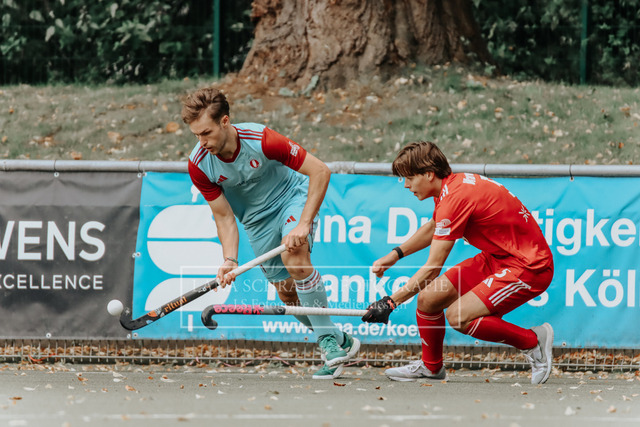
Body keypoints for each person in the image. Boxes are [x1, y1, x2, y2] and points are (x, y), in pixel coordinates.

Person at [181, 87, 359, 379]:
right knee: (288, 295)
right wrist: (230, 259)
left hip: (290, 199)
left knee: (295, 258)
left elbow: (320, 171)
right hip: (256, 222)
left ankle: (328, 344)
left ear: (225, 121)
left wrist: (303, 224)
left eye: (206, 133)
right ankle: (340, 340)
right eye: (196, 135)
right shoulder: (200, 164)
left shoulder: (262, 140)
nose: (202, 142)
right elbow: (224, 217)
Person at [362, 141, 554, 384]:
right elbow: (434, 226)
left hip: (529, 267)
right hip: (498, 258)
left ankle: (533, 341)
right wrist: (396, 254)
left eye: (409, 178)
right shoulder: (450, 187)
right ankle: (431, 367)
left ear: (429, 174)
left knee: (459, 316)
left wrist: (391, 302)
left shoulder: (455, 198)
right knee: (428, 299)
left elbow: (432, 269)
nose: (406, 185)